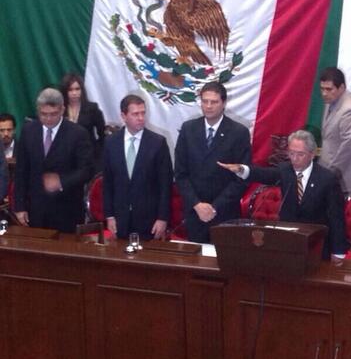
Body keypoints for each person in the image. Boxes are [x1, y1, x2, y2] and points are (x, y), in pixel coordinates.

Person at [218, 130, 348, 260]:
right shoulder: (285, 170)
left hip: (316, 245)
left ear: (312, 154)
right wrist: (241, 169)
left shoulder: (327, 179)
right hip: (288, 242)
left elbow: (336, 218)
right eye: (291, 153)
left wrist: (338, 252)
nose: (295, 159)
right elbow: (263, 174)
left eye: (300, 154)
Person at [174, 82, 251, 243]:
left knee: (224, 263)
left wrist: (214, 207)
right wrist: (197, 205)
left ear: (223, 103)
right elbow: (181, 174)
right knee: (195, 264)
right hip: (195, 213)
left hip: (225, 214)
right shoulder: (188, 129)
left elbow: (242, 178)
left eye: (214, 102)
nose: (208, 106)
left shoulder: (239, 133)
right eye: (205, 101)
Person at [14, 88, 94, 232]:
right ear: (38, 110)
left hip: (67, 210)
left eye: (53, 114)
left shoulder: (78, 134)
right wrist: (19, 206)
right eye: (44, 114)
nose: (49, 119)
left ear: (62, 109)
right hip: (35, 210)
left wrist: (61, 182)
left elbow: (87, 170)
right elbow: (21, 171)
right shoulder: (28, 131)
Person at [103, 95, 173, 241]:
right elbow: (108, 183)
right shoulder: (111, 143)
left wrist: (162, 218)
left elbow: (165, 186)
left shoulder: (157, 143)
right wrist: (109, 216)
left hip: (149, 222)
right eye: (135, 114)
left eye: (143, 113)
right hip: (120, 220)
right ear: (123, 116)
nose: (141, 118)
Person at [319, 67, 351, 194]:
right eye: (322, 89)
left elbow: (348, 147)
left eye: (329, 89)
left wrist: (330, 173)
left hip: (343, 177)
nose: (324, 93)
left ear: (342, 88)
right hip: (328, 171)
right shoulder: (330, 101)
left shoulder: (350, 110)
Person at [60, 73, 106, 172]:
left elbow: (102, 134)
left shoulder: (92, 108)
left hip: (88, 158)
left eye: (77, 89)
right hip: (66, 159)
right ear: (65, 91)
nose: (74, 93)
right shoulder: (60, 110)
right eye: (70, 90)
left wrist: (96, 153)